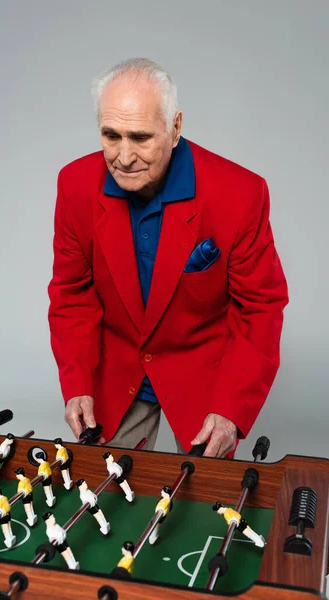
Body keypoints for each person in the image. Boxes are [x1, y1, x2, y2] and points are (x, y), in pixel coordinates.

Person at [48, 57, 288, 458]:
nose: (123, 157)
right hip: (116, 372)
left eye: (140, 137)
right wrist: (78, 385)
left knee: (202, 509)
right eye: (111, 135)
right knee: (106, 501)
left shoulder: (240, 194)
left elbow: (260, 308)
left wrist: (231, 410)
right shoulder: (73, 186)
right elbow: (72, 296)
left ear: (175, 128)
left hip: (203, 378)